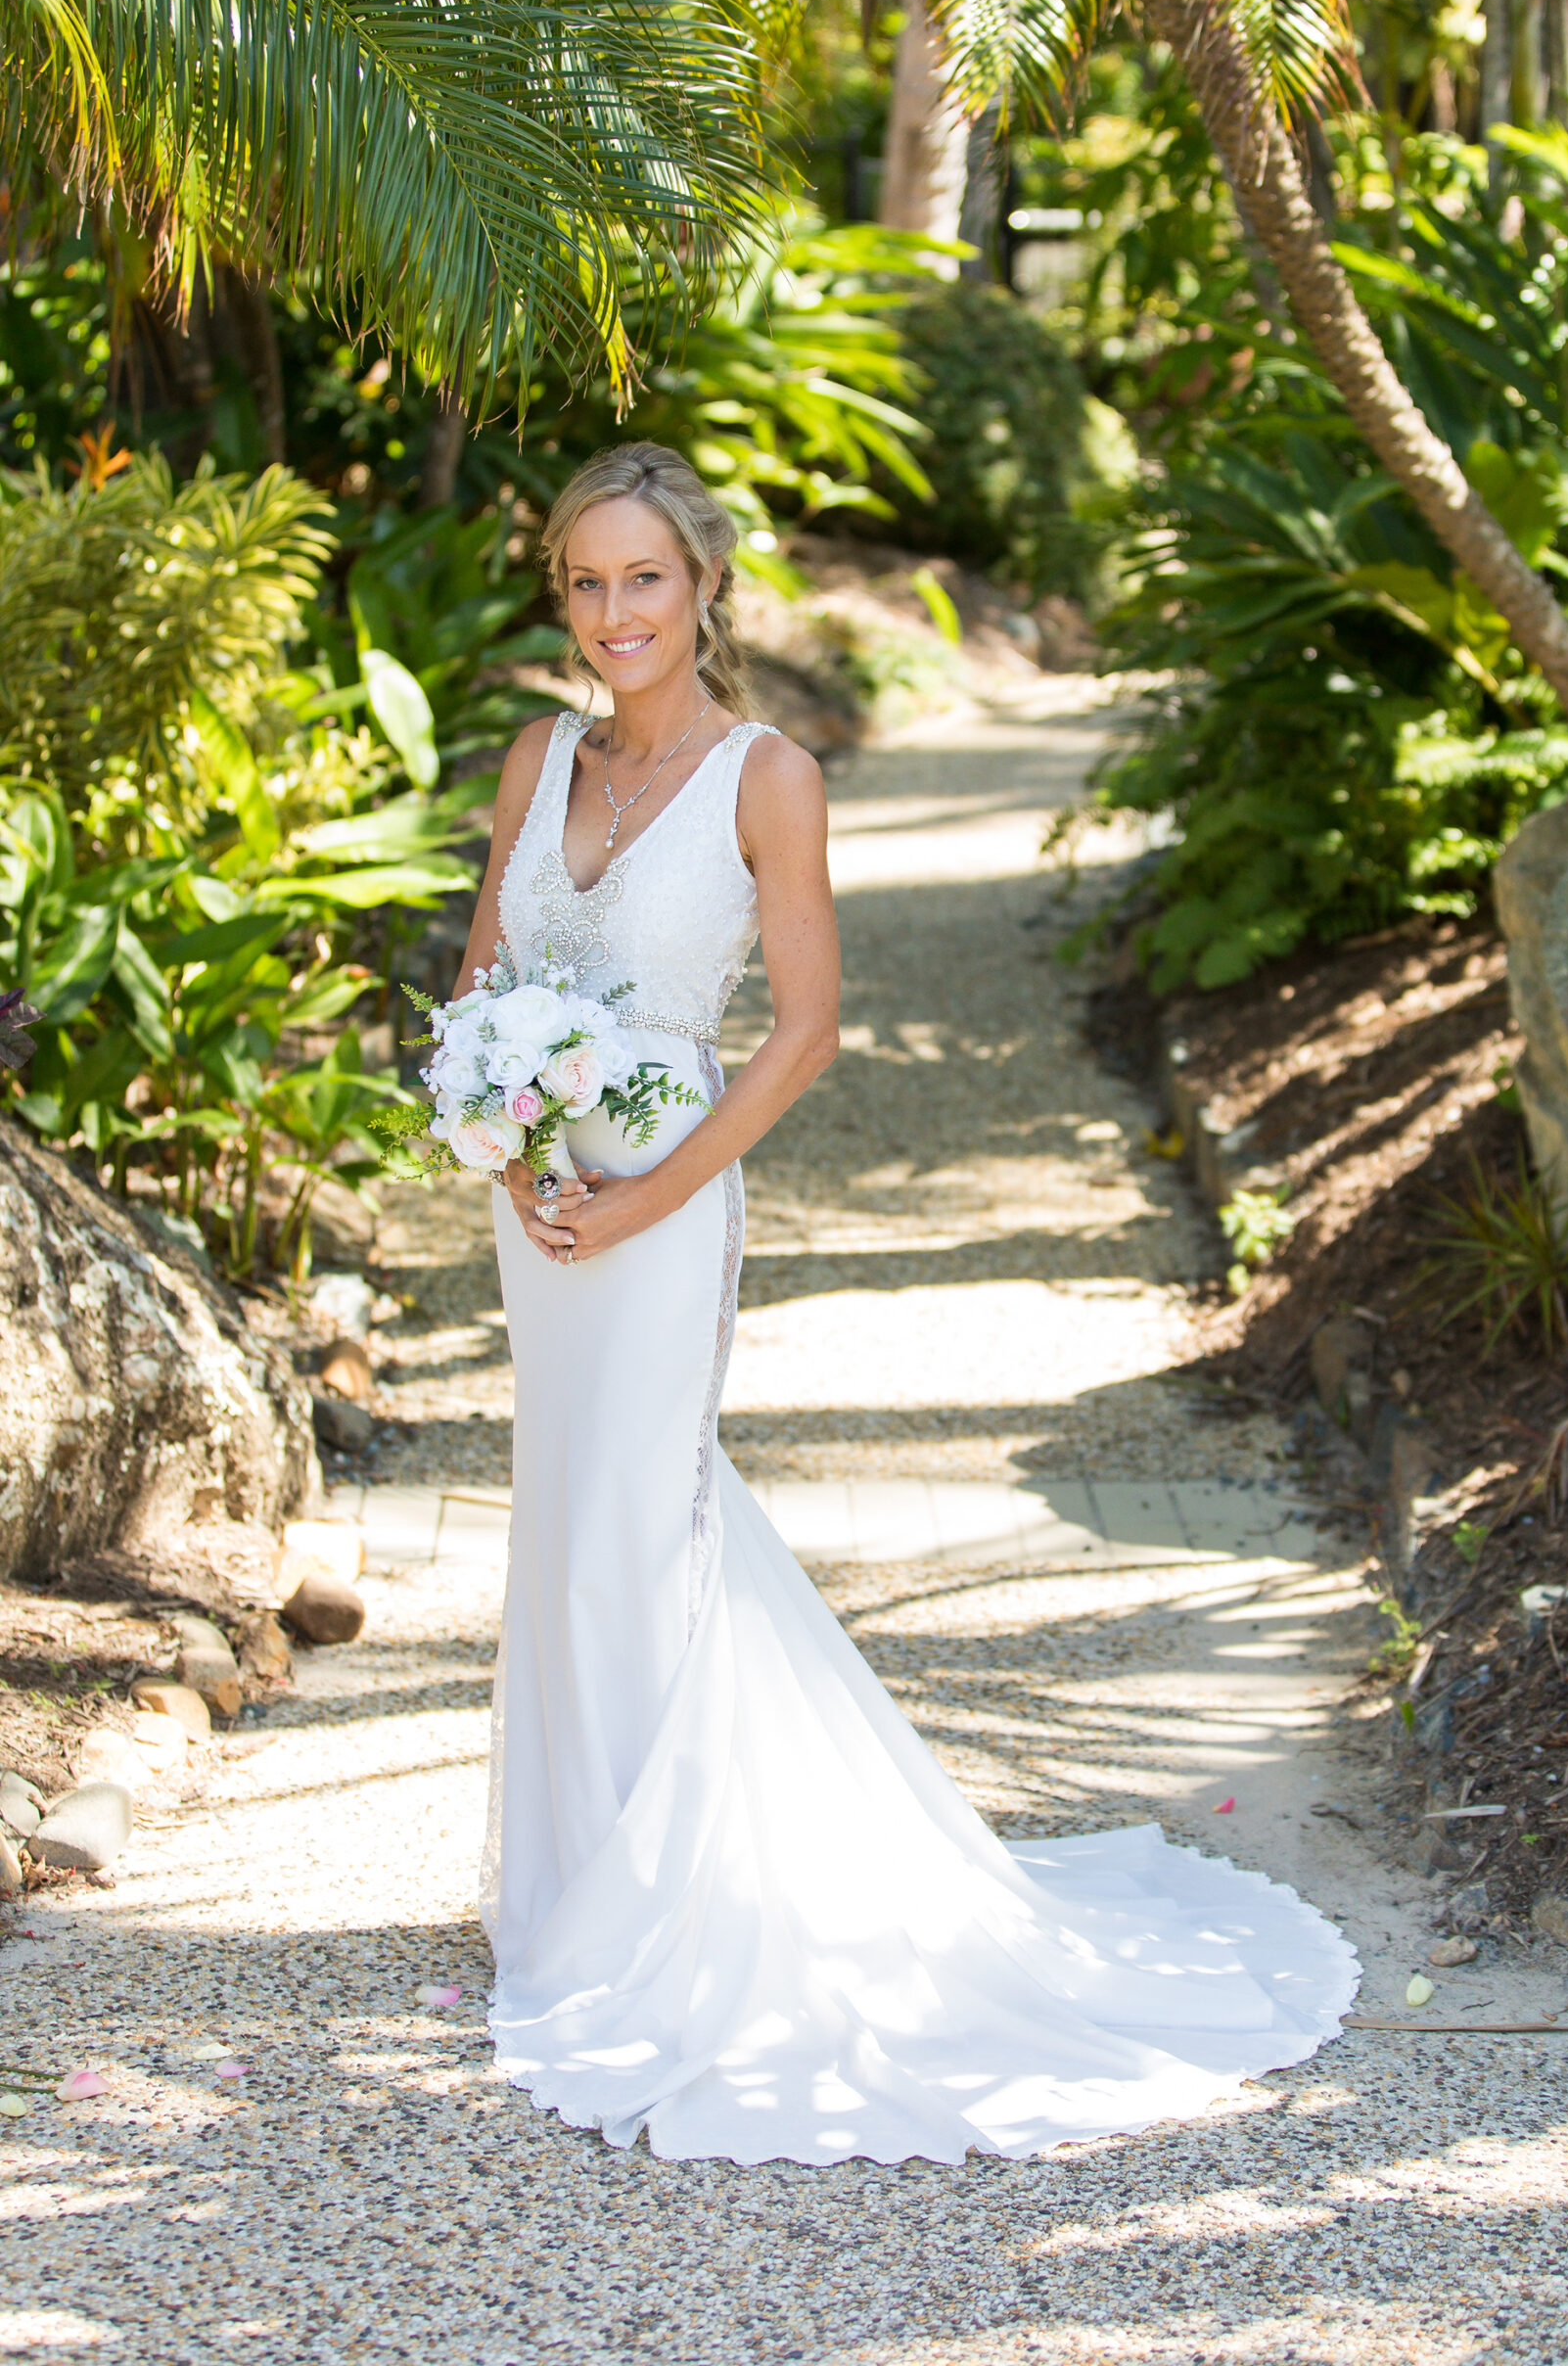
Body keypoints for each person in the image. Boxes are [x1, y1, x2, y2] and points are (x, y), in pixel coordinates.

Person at [452, 441, 1358, 2166]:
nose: (613, 611)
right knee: (565, 1519)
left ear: (704, 586)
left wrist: (643, 1189)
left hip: (662, 1192)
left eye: (645, 577)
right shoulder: (538, 753)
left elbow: (805, 1033)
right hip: (542, 1203)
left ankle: (673, 1909)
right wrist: (507, 1145)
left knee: (643, 1519)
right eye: (585, 580)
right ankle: (569, 1886)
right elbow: (488, 971)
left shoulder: (765, 775)